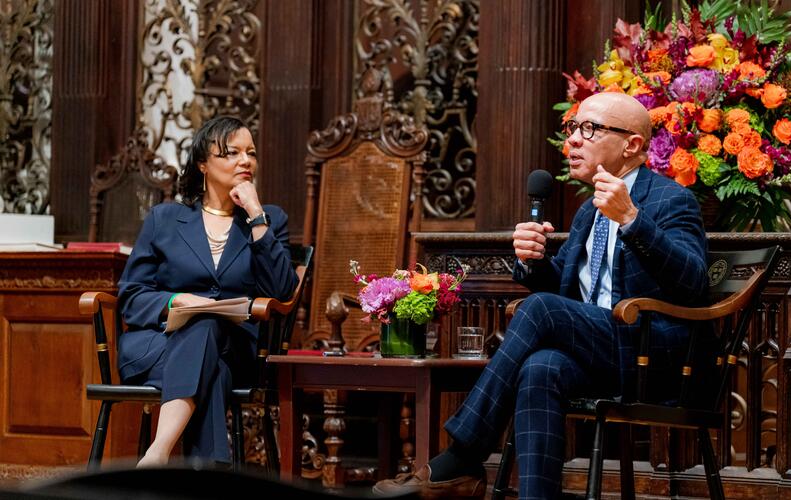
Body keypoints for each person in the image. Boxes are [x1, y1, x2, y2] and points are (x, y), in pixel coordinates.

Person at [373, 92, 708, 498]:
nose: (573, 142)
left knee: (539, 310)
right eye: (572, 129)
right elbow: (559, 293)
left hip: (649, 355)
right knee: (541, 367)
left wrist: (633, 220)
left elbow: (694, 283)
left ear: (631, 145)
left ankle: (462, 455)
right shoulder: (588, 211)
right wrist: (533, 261)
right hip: (599, 350)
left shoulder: (671, 199)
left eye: (589, 129)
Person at [117, 116, 299, 467]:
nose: (245, 160)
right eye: (232, 152)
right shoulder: (165, 218)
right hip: (157, 345)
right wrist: (176, 300)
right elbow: (131, 296)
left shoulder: (268, 219)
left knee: (208, 328)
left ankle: (156, 454)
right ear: (203, 163)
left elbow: (282, 291)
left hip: (237, 348)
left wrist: (256, 214)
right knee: (210, 360)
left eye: (251, 153)